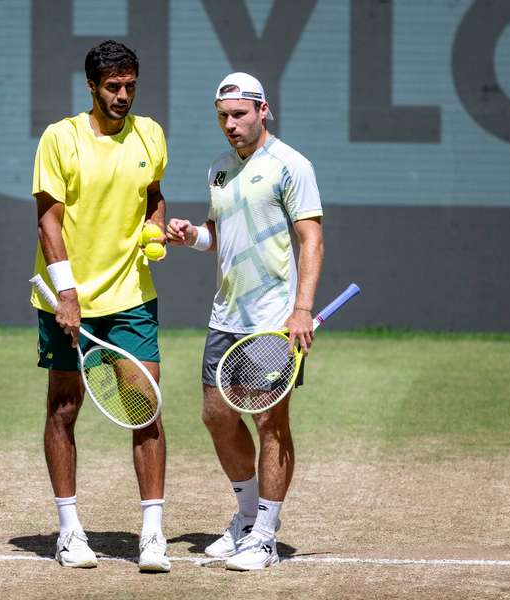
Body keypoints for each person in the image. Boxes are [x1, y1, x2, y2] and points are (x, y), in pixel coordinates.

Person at [166, 72, 324, 571]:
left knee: (270, 422)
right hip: (225, 315)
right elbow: (218, 235)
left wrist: (301, 310)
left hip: (274, 320)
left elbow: (311, 240)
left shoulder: (291, 165)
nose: (230, 125)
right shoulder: (218, 169)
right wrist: (191, 234)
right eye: (223, 117)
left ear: (262, 110)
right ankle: (246, 516)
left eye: (239, 115)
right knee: (216, 416)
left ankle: (266, 536)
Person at [30, 40, 170, 572]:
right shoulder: (60, 138)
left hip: (132, 296)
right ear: (92, 86)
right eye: (113, 87)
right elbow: (48, 219)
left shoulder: (151, 134)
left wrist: (156, 226)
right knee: (64, 410)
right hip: (69, 300)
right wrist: (67, 294)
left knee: (147, 410)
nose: (123, 96)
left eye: (130, 86)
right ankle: (69, 531)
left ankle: (152, 534)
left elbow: (153, 193)